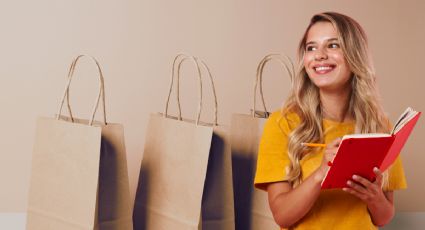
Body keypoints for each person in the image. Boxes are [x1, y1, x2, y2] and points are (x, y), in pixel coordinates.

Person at [254, 12, 406, 230]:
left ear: (355, 56)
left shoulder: (379, 126)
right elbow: (282, 216)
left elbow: (383, 218)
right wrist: (321, 174)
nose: (320, 55)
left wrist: (374, 197)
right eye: (311, 47)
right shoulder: (283, 123)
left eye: (333, 45)